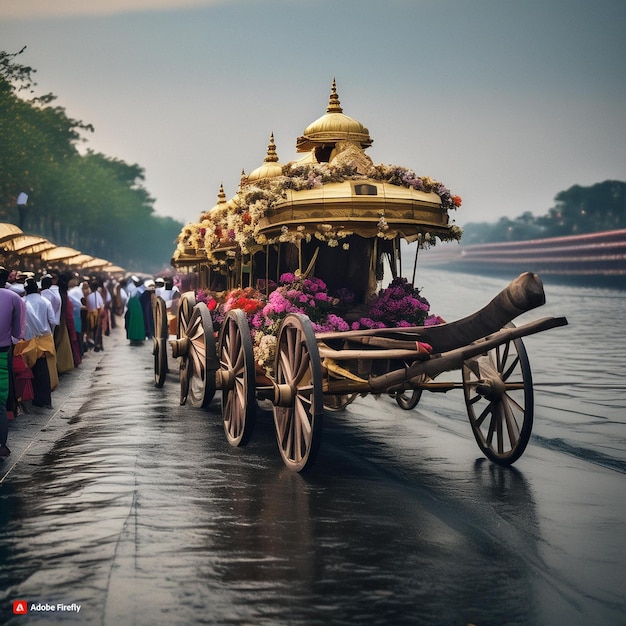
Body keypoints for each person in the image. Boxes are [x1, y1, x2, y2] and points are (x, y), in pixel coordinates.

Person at [18, 278, 56, 409]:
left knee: (28, 370)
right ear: (37, 289)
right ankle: (44, 398)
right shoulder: (45, 302)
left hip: (27, 342)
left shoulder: (22, 302)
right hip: (44, 340)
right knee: (43, 369)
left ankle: (31, 397)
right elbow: (52, 320)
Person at [0, 266, 25, 460]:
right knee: (0, 402)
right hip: (2, 353)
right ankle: (1, 445)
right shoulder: (14, 298)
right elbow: (18, 332)